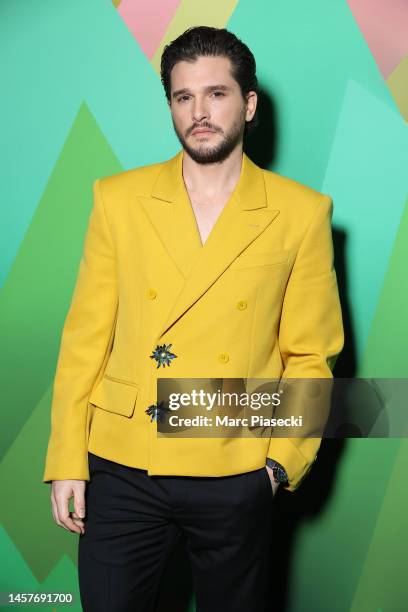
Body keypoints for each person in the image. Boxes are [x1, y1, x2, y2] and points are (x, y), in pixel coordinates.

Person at [43, 26, 344, 612]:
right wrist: (65, 460)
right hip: (123, 465)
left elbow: (310, 355)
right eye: (184, 98)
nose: (199, 113)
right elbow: (85, 338)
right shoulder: (117, 198)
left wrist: (280, 465)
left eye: (216, 94)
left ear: (249, 104)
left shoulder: (301, 213)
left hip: (235, 463)